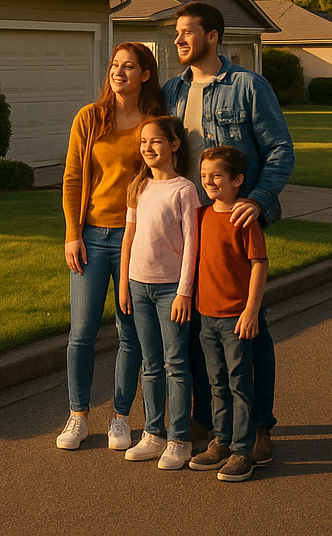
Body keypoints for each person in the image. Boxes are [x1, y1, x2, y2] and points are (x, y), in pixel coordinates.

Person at [162, 0, 293, 466]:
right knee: (199, 325)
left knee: (248, 329)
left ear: (213, 36)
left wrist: (256, 199)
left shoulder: (247, 86)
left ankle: (258, 427)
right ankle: (215, 424)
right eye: (176, 33)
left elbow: (279, 149)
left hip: (233, 222)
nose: (178, 40)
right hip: (188, 224)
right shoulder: (171, 90)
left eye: (187, 32)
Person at [55, 42, 165, 451]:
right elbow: (71, 180)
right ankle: (78, 416)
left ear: (145, 74)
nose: (118, 72)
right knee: (81, 333)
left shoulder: (154, 124)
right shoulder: (90, 118)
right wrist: (72, 233)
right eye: (115, 65)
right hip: (90, 237)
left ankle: (121, 417)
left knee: (130, 333)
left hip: (135, 240)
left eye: (128, 66)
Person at [117, 115, 202, 470]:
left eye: (155, 141)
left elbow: (192, 246)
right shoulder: (138, 187)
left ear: (174, 145)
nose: (148, 148)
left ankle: (179, 438)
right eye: (142, 143)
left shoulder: (184, 190)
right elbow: (129, 238)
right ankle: (153, 433)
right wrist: (123, 283)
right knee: (150, 365)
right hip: (138, 286)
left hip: (171, 290)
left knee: (175, 364)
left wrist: (184, 292)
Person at [187, 146, 267, 482]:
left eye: (217, 176)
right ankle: (220, 441)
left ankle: (242, 450)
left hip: (236, 317)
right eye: (204, 176)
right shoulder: (202, 215)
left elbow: (259, 265)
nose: (209, 181)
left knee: (239, 385)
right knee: (216, 382)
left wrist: (251, 311)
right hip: (206, 317)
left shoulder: (244, 218)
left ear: (237, 180)